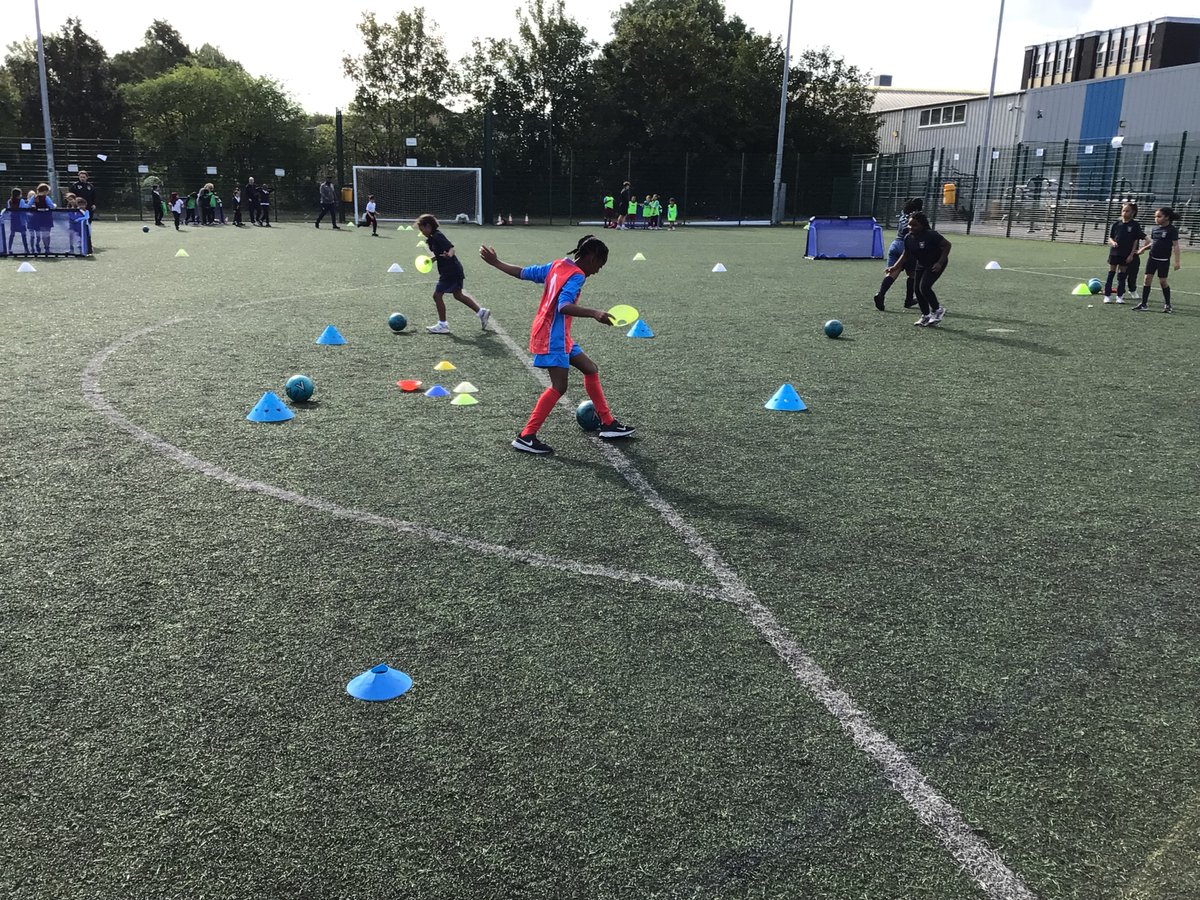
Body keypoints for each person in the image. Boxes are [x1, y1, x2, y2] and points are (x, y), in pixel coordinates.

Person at [479, 234, 635, 455]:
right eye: (600, 264)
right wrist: (594, 313)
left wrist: (496, 262)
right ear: (591, 257)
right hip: (554, 336)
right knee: (559, 387)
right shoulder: (578, 275)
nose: (598, 270)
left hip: (555, 333)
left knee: (590, 369)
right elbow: (564, 306)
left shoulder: (557, 265)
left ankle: (608, 423)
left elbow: (523, 273)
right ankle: (526, 436)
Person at [416, 213, 489, 333]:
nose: (421, 231)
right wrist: (430, 260)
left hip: (450, 270)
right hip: (452, 269)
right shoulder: (432, 238)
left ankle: (443, 325)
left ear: (428, 226)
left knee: (437, 295)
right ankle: (482, 312)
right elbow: (439, 254)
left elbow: (451, 248)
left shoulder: (438, 236)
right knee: (458, 295)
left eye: (422, 229)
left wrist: (449, 255)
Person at [885, 212, 951, 327]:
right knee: (917, 289)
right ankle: (926, 316)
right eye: (909, 225)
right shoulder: (908, 238)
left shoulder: (931, 235)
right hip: (921, 264)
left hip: (935, 263)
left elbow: (947, 245)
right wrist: (894, 267)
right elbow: (905, 254)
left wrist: (939, 263)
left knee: (924, 287)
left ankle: (937, 309)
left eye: (914, 225)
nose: (910, 227)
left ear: (922, 225)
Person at [873, 198, 923, 311]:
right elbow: (910, 231)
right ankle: (908, 299)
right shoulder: (916, 217)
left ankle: (880, 294)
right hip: (906, 246)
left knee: (892, 273)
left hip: (895, 245)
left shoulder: (902, 215)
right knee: (913, 274)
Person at [1133, 207, 1181, 313]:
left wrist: (1177, 261)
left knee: (1163, 282)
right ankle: (1144, 304)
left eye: (1159, 216)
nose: (1156, 219)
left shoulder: (1172, 230)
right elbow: (1154, 243)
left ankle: (1168, 304)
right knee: (1146, 280)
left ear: (1167, 217)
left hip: (1163, 260)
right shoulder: (1155, 229)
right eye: (1155, 216)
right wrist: (1143, 249)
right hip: (1152, 258)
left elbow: (1176, 246)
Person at [1103, 202, 1144, 304]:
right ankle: (1107, 296)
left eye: (1127, 211)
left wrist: (1131, 255)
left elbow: (1135, 241)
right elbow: (1110, 237)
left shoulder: (1135, 225)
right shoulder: (1116, 224)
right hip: (1114, 253)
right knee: (1111, 274)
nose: (1124, 213)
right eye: (1123, 210)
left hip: (1125, 254)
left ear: (1133, 212)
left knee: (1122, 276)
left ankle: (1119, 296)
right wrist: (1113, 243)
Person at [6, 188, 30, 255]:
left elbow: (9, 211)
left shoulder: (9, 201)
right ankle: (26, 249)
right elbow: (25, 208)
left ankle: (9, 249)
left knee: (12, 234)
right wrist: (30, 204)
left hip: (13, 220)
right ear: (18, 194)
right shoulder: (21, 201)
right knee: (23, 235)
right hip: (20, 220)